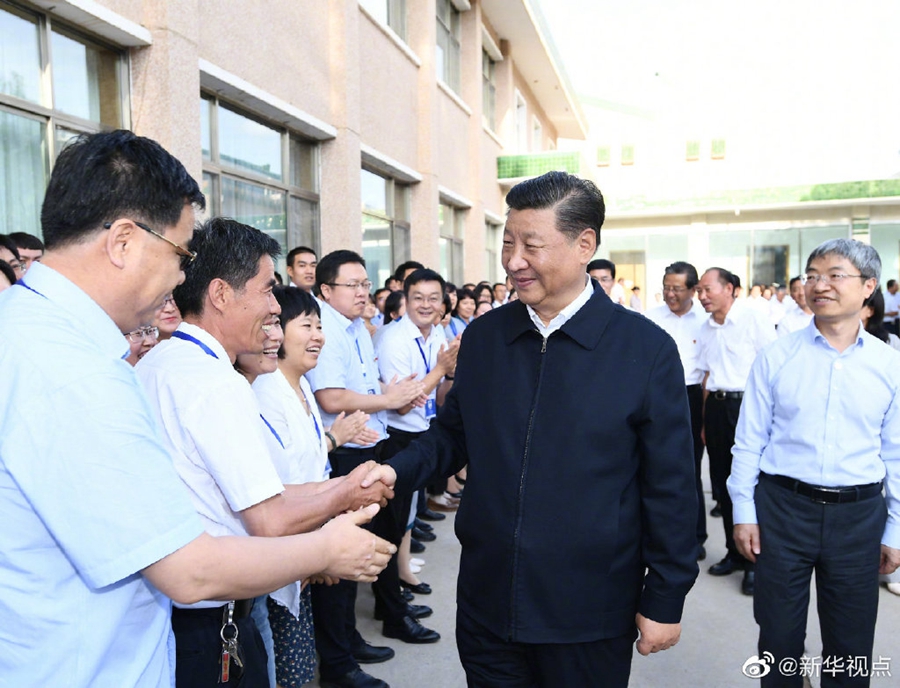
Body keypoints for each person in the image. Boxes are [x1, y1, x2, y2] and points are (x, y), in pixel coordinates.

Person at [0, 130, 393, 688]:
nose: (181, 276)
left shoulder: (31, 332)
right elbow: (188, 571)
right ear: (124, 242)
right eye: (180, 253)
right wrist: (326, 549)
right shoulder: (73, 371)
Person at [381, 171, 699, 687]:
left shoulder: (644, 350)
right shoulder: (485, 338)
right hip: (487, 604)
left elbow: (671, 486)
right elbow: (454, 435)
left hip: (588, 613)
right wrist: (393, 474)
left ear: (584, 245)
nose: (513, 261)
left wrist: (665, 597)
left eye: (531, 245)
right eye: (507, 243)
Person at [136, 219, 397, 688]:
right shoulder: (216, 382)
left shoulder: (167, 361)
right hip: (209, 622)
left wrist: (345, 486)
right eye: (266, 290)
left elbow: (257, 496)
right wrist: (341, 509)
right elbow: (269, 520)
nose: (275, 306)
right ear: (221, 294)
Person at [729, 239, 900, 688]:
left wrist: (895, 529)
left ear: (868, 287)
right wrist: (744, 512)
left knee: (851, 644)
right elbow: (748, 442)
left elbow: (896, 454)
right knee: (778, 637)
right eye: (812, 275)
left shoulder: (889, 366)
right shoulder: (776, 357)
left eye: (834, 275)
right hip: (783, 511)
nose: (819, 285)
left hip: (859, 518)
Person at [306, 249, 428, 688]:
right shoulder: (325, 329)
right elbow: (332, 396)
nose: (362, 292)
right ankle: (338, 665)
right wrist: (387, 400)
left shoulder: (356, 326)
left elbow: (363, 383)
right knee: (337, 565)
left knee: (358, 553)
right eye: (352, 285)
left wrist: (391, 392)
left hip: (367, 443)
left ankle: (348, 641)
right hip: (341, 453)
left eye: (365, 284)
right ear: (326, 290)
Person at [696, 267, 776, 596]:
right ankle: (734, 551)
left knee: (749, 483)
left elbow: (773, 368)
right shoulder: (706, 327)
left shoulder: (753, 319)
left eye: (707, 289)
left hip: (747, 407)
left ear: (729, 288)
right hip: (716, 409)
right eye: (699, 291)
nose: (702, 296)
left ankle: (755, 561)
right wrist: (705, 422)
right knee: (722, 483)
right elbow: (706, 376)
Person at [644, 261, 708, 561]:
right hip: (657, 397)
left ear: (692, 290)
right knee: (655, 466)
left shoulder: (705, 321)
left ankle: (695, 537)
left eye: (677, 289)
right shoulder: (650, 319)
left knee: (690, 468)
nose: (670, 294)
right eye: (666, 288)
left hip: (693, 397)